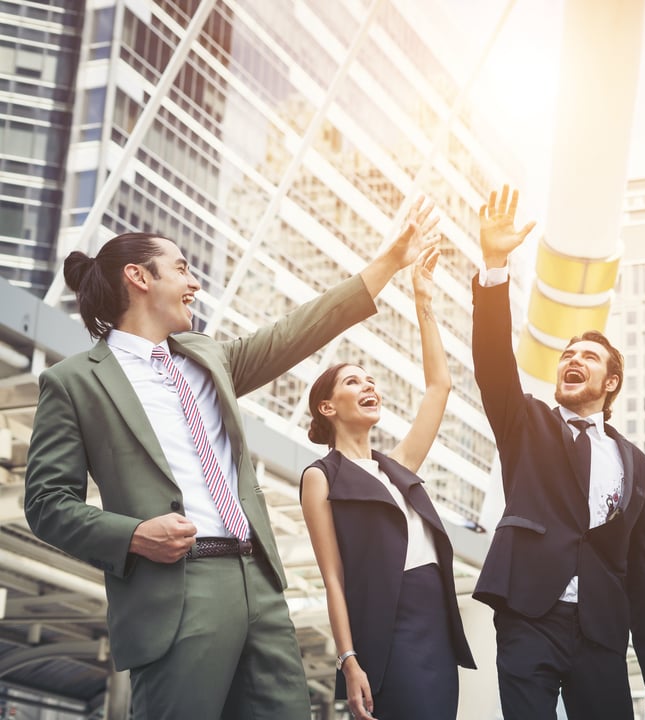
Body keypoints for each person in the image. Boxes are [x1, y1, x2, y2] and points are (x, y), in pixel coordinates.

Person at [23, 198, 438, 720]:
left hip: (259, 582)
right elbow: (45, 503)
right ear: (138, 277)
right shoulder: (75, 381)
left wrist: (387, 263)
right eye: (180, 268)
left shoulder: (210, 358)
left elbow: (298, 330)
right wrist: (132, 535)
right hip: (178, 590)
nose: (193, 282)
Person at [470, 185, 645, 720]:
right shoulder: (527, 423)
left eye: (587, 356)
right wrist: (495, 266)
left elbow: (643, 566)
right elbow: (493, 364)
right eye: (567, 354)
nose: (572, 360)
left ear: (611, 382)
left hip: (601, 630)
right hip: (529, 614)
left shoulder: (638, 465)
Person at [300, 245, 475, 720]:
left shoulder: (398, 466)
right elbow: (333, 577)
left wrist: (424, 303)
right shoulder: (320, 478)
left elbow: (440, 388)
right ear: (328, 407)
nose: (369, 386)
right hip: (385, 628)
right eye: (354, 382)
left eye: (371, 379)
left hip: (435, 620)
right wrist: (348, 658)